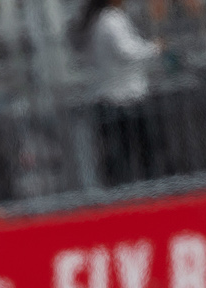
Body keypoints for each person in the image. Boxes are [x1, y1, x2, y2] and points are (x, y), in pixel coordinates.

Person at [75, 0, 162, 186]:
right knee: (141, 152)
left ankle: (124, 191)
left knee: (120, 155)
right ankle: (147, 191)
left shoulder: (97, 21)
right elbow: (126, 51)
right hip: (124, 98)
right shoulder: (111, 20)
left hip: (111, 96)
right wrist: (154, 48)